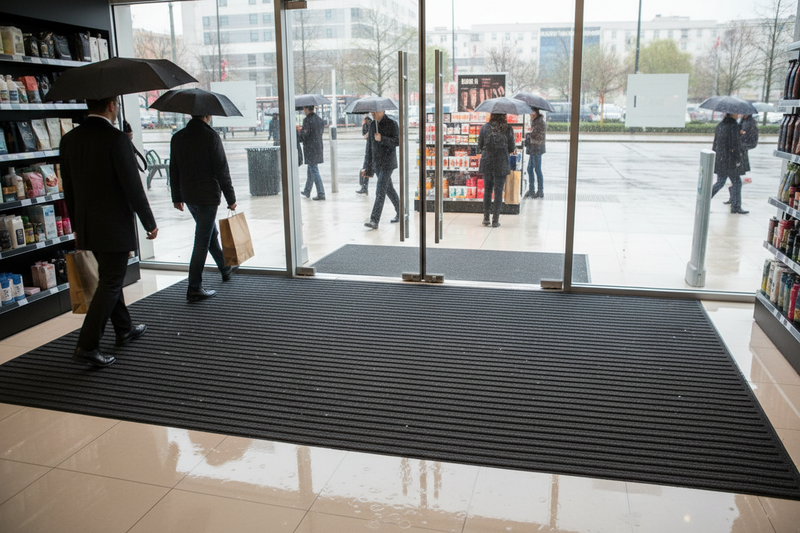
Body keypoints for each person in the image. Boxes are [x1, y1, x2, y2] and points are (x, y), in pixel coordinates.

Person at [60, 96, 158, 368]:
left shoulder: (70, 140)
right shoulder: (116, 140)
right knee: (111, 281)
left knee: (108, 277)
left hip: (88, 224)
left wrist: (77, 227)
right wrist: (149, 222)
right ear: (112, 105)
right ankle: (87, 344)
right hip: (114, 225)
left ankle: (124, 328)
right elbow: (132, 187)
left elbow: (68, 189)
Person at [170, 114, 238, 301]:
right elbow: (221, 169)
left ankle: (224, 268)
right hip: (207, 196)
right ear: (207, 115)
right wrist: (230, 198)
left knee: (209, 233)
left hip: (189, 195)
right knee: (202, 240)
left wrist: (176, 196)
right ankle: (194, 287)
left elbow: (173, 168)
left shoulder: (178, 137)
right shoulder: (210, 136)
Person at [362, 109, 400, 229]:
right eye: (371, 112)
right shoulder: (372, 124)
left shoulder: (392, 123)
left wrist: (382, 138)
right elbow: (369, 147)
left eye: (376, 112)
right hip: (377, 163)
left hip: (388, 163)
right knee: (388, 189)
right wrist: (367, 167)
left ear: (383, 111)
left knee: (380, 191)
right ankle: (401, 211)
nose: (373, 114)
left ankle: (374, 220)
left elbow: (397, 141)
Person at [477, 113, 516, 228]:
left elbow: (480, 146)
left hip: (488, 162)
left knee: (488, 190)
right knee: (498, 191)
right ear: (504, 116)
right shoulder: (508, 129)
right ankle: (495, 220)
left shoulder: (485, 128)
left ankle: (485, 218)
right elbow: (512, 148)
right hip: (501, 162)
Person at [711, 113, 748, 214]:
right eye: (737, 113)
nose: (739, 115)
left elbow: (716, 143)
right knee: (736, 183)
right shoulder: (733, 126)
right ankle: (736, 207)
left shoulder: (720, 125)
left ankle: (705, 200)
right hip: (730, 160)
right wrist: (737, 159)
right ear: (732, 114)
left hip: (721, 159)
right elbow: (734, 145)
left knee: (720, 182)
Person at [725, 113, 758, 205]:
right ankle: (734, 200)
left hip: (740, 154)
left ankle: (734, 201)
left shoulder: (749, 124)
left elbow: (751, 142)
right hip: (739, 153)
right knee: (735, 179)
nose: (740, 114)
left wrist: (740, 144)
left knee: (735, 179)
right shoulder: (744, 123)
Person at [297, 105, 325, 200]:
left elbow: (305, 135)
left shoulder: (307, 120)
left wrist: (298, 132)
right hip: (318, 147)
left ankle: (321, 193)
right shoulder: (319, 120)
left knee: (313, 170)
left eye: (304, 109)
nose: (304, 110)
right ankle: (307, 190)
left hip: (310, 149)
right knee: (311, 168)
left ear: (307, 109)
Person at [524, 108, 546, 199]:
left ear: (535, 112)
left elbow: (537, 135)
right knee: (530, 169)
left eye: (531, 112)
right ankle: (532, 190)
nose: (529, 114)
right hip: (534, 148)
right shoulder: (536, 121)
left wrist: (528, 133)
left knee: (536, 169)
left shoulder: (539, 122)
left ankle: (540, 191)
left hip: (537, 148)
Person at [356, 115, 373, 194]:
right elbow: (364, 134)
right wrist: (363, 125)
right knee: (365, 169)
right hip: (369, 150)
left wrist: (368, 134)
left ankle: (364, 187)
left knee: (367, 168)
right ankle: (364, 187)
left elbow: (368, 135)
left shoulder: (372, 122)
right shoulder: (367, 123)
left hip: (372, 151)